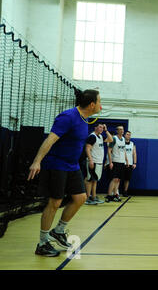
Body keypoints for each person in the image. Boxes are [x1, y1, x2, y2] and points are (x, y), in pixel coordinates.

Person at [28, 89, 102, 257]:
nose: (101, 105)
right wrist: (37, 161)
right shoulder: (68, 117)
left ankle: (59, 231)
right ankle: (42, 243)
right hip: (57, 164)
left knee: (80, 198)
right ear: (92, 105)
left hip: (72, 165)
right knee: (55, 202)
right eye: (99, 102)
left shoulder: (85, 119)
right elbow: (50, 139)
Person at [84, 123, 113, 205]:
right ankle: (88, 197)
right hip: (93, 161)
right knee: (90, 180)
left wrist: (106, 130)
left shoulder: (100, 137)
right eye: (100, 127)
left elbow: (111, 140)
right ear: (95, 127)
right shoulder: (92, 136)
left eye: (102, 127)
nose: (101, 128)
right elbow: (87, 148)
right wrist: (90, 160)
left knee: (95, 180)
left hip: (99, 162)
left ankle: (94, 197)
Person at [106, 126, 128, 202]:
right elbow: (109, 150)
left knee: (118, 180)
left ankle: (115, 195)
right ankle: (109, 195)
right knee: (114, 179)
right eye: (120, 129)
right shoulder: (114, 139)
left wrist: (126, 161)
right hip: (115, 161)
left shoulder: (123, 139)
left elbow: (124, 151)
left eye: (123, 129)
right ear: (117, 131)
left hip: (122, 162)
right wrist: (110, 162)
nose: (122, 131)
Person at [123, 131, 137, 197]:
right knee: (118, 178)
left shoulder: (132, 144)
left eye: (130, 135)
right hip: (122, 163)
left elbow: (134, 153)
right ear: (124, 135)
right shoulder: (121, 143)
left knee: (127, 179)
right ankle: (115, 192)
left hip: (130, 164)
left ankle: (125, 191)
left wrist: (134, 163)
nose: (129, 136)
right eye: (127, 134)